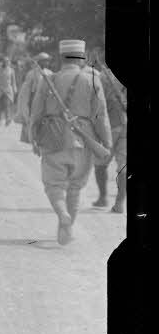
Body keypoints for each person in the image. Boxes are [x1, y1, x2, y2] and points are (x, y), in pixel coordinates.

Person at [27, 39, 111, 245]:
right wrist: (106, 142)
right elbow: (101, 115)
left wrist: (33, 139)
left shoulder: (50, 79)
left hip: (53, 138)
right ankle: (66, 229)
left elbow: (35, 113)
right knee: (74, 188)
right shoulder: (93, 79)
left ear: (61, 57)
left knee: (54, 185)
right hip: (84, 139)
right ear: (81, 58)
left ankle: (62, 214)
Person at [90, 55, 127, 212]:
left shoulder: (101, 77)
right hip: (125, 123)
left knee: (100, 163)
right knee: (123, 166)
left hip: (110, 125)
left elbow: (96, 103)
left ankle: (103, 198)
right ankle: (119, 203)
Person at [15, 52, 52, 143]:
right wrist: (25, 105)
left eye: (47, 61)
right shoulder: (31, 74)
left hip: (46, 101)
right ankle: (32, 139)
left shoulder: (50, 73)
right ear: (39, 62)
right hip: (34, 100)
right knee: (33, 121)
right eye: (44, 61)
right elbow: (26, 91)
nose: (47, 63)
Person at [0, 56, 17, 126]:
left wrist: (15, 89)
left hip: (8, 90)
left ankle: (7, 119)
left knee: (7, 105)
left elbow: (13, 81)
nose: (6, 63)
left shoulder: (11, 70)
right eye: (4, 61)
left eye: (7, 61)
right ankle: (0, 120)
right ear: (2, 62)